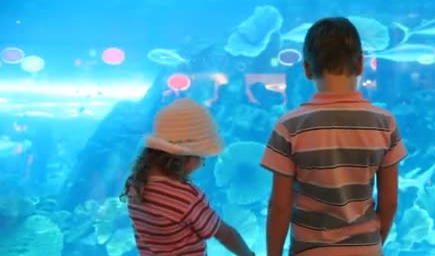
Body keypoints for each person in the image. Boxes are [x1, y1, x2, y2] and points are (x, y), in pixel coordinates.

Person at [260, 17, 408, 256]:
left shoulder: (289, 126)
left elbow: (279, 206)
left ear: (307, 69)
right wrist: (373, 243)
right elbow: (390, 202)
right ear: (360, 64)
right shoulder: (385, 123)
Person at [121, 98, 255, 256]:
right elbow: (225, 235)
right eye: (202, 157)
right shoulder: (186, 197)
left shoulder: (134, 184)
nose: (202, 164)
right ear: (184, 156)